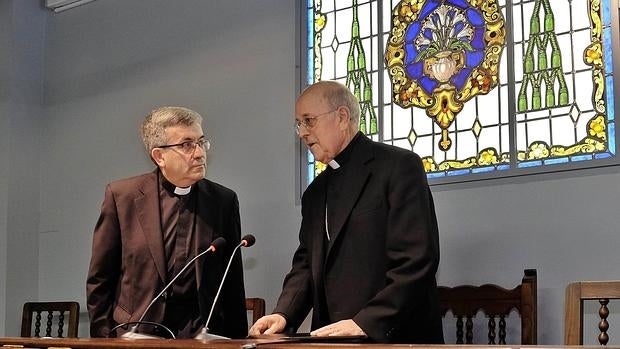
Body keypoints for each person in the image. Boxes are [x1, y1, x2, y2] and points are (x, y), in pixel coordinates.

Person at [249, 81, 444, 344]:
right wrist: (284, 313)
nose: (302, 133)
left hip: (394, 336)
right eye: (299, 124)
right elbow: (307, 263)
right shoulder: (316, 192)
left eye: (309, 121)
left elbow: (416, 260)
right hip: (333, 339)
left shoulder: (398, 167)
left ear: (342, 117)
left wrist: (366, 321)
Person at [86, 106, 247, 339]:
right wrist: (103, 342)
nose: (200, 153)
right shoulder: (122, 197)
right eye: (186, 145)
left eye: (201, 142)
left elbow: (232, 279)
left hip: (200, 336)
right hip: (136, 334)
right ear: (159, 156)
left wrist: (237, 341)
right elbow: (100, 279)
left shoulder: (223, 201)